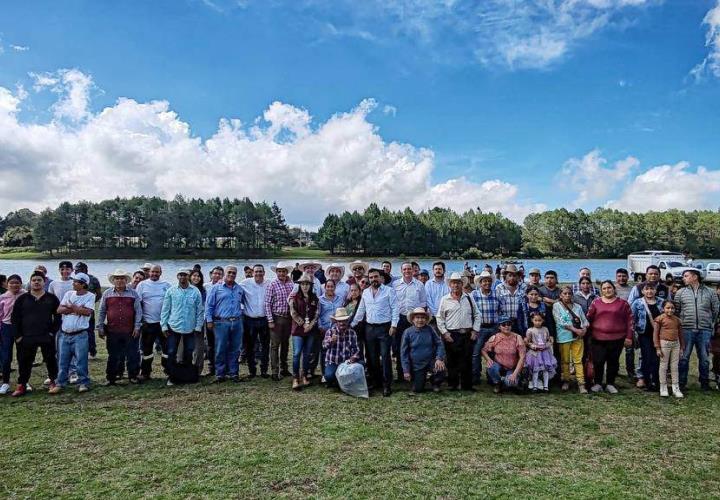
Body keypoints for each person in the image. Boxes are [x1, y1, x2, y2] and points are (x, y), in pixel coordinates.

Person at [10, 272, 61, 397]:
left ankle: (53, 382)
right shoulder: (22, 299)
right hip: (26, 336)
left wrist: (52, 332)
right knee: (24, 361)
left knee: (50, 359)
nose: (36, 282)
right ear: (30, 282)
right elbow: (14, 318)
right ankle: (22, 385)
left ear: (44, 282)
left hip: (45, 335)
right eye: (34, 280)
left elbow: (58, 316)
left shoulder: (51, 298)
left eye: (39, 280)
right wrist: (18, 336)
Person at [351, 268, 399, 397]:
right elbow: (361, 311)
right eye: (371, 277)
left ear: (380, 277)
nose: (373, 279)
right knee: (372, 357)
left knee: (385, 356)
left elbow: (395, 309)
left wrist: (394, 325)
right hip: (369, 328)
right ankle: (375, 381)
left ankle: (386, 384)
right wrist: (352, 325)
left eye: (375, 277)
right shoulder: (365, 292)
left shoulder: (389, 291)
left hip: (385, 328)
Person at [675, 269, 719, 391]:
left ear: (695, 277)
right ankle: (682, 383)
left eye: (686, 276)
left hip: (704, 330)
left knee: (704, 358)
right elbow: (677, 311)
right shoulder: (680, 293)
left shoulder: (710, 292)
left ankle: (704, 383)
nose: (683, 278)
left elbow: (715, 310)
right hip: (686, 329)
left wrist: (709, 324)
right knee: (684, 358)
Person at [50, 272, 95, 394]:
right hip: (64, 334)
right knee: (62, 360)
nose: (73, 284)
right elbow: (59, 310)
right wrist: (76, 309)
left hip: (80, 334)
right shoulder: (69, 294)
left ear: (83, 284)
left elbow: (87, 312)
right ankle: (60, 383)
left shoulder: (90, 296)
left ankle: (83, 382)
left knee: (81, 360)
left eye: (76, 282)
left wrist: (71, 307)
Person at [586, 281, 633, 394]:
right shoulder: (595, 303)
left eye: (609, 288)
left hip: (617, 338)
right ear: (601, 290)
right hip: (598, 338)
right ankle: (597, 383)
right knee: (598, 361)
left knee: (613, 362)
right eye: (605, 288)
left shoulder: (623, 303)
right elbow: (588, 319)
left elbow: (630, 321)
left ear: (614, 288)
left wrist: (629, 337)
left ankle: (610, 384)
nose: (607, 290)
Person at [436, 272, 481, 391]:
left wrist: (475, 330)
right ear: (450, 284)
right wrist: (445, 333)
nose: (456, 285)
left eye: (458, 283)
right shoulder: (445, 299)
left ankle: (467, 385)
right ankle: (453, 384)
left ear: (462, 284)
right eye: (453, 283)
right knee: (452, 360)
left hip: (467, 333)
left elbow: (477, 315)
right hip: (451, 334)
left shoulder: (469, 298)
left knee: (467, 360)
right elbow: (439, 318)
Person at [97, 269, 143, 386]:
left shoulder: (133, 294)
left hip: (130, 330)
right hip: (112, 330)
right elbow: (102, 311)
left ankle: (133, 376)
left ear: (126, 280)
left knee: (132, 354)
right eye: (117, 278)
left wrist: (137, 327)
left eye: (122, 278)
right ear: (113, 280)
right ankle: (111, 377)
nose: (119, 281)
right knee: (113, 355)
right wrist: (100, 326)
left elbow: (138, 311)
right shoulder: (107, 293)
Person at [161, 268, 204, 386]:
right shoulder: (171, 291)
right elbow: (165, 309)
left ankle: (186, 376)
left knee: (189, 353)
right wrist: (164, 325)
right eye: (180, 275)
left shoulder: (195, 291)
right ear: (177, 276)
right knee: (171, 352)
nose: (182, 277)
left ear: (188, 277)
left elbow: (199, 311)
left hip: (190, 328)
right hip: (173, 326)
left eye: (185, 275)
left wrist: (198, 326)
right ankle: (172, 377)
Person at [205, 265, 245, 383]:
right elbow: (209, 305)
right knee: (220, 348)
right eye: (229, 272)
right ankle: (220, 374)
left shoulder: (239, 289)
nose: (231, 275)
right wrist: (209, 320)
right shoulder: (216, 288)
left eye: (234, 273)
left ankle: (233, 373)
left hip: (237, 322)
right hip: (221, 322)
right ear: (224, 274)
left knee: (235, 349)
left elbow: (243, 302)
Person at [135, 265, 171, 381]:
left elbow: (171, 302)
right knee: (147, 350)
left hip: (163, 323)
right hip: (148, 323)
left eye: (157, 272)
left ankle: (169, 371)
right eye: (152, 272)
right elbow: (138, 304)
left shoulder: (166, 285)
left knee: (167, 349)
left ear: (161, 273)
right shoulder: (142, 285)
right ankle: (145, 373)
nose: (154, 274)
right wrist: (141, 320)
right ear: (148, 273)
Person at [393, 262, 427, 382]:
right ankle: (401, 374)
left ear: (413, 270)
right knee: (400, 346)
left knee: (414, 346)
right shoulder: (395, 284)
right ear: (401, 271)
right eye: (405, 269)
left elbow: (423, 303)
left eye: (409, 269)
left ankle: (414, 372)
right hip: (400, 318)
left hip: (414, 319)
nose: (407, 271)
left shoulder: (419, 285)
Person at [552, 286, 589, 394]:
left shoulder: (577, 307)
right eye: (565, 293)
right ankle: (566, 380)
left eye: (569, 293)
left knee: (578, 361)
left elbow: (584, 320)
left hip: (578, 337)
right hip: (564, 337)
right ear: (560, 295)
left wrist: (584, 330)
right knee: (565, 361)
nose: (567, 295)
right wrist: (575, 329)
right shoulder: (557, 306)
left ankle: (581, 383)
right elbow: (560, 321)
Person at [401, 307, 445, 394]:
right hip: (416, 364)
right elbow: (404, 353)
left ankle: (435, 383)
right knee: (418, 389)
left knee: (440, 368)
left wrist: (439, 358)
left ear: (426, 319)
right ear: (413, 319)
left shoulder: (430, 329)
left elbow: (439, 344)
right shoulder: (407, 332)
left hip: (431, 361)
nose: (420, 320)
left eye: (423, 318)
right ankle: (420, 380)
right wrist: (406, 370)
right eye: (417, 318)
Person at [265, 262, 295, 381]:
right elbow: (267, 303)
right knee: (274, 345)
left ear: (287, 272)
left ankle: (284, 368)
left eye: (283, 271)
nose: (281, 273)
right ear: (276, 272)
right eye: (279, 271)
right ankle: (274, 371)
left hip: (288, 318)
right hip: (276, 318)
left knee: (285, 344)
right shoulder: (272, 284)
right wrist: (270, 320)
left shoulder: (291, 284)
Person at [631, 283, 663, 392]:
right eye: (647, 289)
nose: (649, 291)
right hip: (644, 334)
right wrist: (633, 334)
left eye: (652, 289)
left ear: (655, 290)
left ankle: (656, 380)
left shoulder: (661, 302)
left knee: (657, 358)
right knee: (646, 357)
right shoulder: (637, 303)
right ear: (643, 291)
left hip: (659, 335)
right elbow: (632, 319)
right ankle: (646, 380)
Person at [289, 275, 319, 390]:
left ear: (310, 286)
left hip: (310, 330)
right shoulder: (294, 298)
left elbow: (317, 313)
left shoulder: (315, 298)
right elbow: (293, 313)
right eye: (303, 284)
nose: (305, 286)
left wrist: (310, 325)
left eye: (307, 284)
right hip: (298, 329)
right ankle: (296, 378)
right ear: (300, 285)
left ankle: (305, 375)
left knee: (307, 354)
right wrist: (303, 323)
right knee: (297, 353)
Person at [482, 317, 527, 393]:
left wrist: (515, 374)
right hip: (499, 366)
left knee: (511, 383)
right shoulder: (494, 337)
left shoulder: (517, 337)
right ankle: (497, 383)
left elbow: (522, 357)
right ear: (499, 327)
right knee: (491, 366)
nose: (506, 326)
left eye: (509, 324)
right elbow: (483, 350)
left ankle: (508, 380)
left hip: (512, 367)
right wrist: (488, 359)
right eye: (503, 324)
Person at [240, 264, 270, 379]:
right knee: (249, 346)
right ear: (252, 273)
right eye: (256, 271)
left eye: (260, 271)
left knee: (265, 346)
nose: (258, 273)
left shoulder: (269, 283)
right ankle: (252, 370)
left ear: (264, 273)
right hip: (249, 320)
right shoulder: (245, 283)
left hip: (264, 320)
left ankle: (264, 370)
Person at [470, 270, 500, 384]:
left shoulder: (496, 294)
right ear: (480, 283)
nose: (487, 283)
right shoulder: (474, 295)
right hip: (480, 328)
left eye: (489, 281)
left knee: (493, 353)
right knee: (476, 353)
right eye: (484, 281)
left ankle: (492, 377)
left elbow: (500, 309)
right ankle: (475, 377)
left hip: (494, 328)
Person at [322, 307, 361, 388]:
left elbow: (356, 349)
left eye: (344, 321)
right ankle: (338, 381)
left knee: (361, 366)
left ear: (347, 321)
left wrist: (353, 358)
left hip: (347, 363)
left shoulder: (352, 333)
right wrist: (331, 341)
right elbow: (324, 346)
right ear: (336, 322)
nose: (342, 323)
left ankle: (340, 381)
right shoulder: (330, 331)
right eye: (339, 321)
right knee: (329, 376)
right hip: (333, 362)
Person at [314, 279, 344, 380]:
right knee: (324, 351)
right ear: (325, 287)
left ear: (335, 288)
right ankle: (324, 374)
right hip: (323, 329)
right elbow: (317, 315)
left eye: (332, 286)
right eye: (328, 286)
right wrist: (320, 327)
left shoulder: (340, 299)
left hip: (337, 330)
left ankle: (337, 373)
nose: (330, 288)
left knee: (336, 350)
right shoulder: (320, 299)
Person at [654, 301, 685, 398]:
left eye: (672, 308)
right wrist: (658, 347)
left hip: (676, 344)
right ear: (663, 308)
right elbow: (655, 334)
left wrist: (682, 347)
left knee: (674, 366)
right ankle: (663, 386)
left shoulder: (677, 320)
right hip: (664, 344)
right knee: (663, 365)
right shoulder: (659, 319)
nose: (670, 310)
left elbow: (680, 335)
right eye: (668, 308)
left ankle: (676, 387)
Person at [0, 274, 24, 394]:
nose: (14, 285)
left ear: (21, 283)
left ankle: (24, 381)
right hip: (6, 327)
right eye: (11, 283)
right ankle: (5, 382)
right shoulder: (2, 297)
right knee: (6, 356)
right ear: (7, 284)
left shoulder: (25, 295)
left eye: (17, 283)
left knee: (23, 355)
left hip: (22, 328)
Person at [524, 312, 557, 392]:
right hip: (535, 353)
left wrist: (547, 345)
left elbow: (548, 340)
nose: (538, 322)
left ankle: (546, 386)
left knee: (545, 369)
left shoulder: (545, 329)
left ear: (543, 321)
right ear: (532, 320)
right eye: (536, 320)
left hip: (545, 353)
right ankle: (535, 386)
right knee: (536, 370)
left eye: (540, 320)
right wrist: (532, 346)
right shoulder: (530, 330)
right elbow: (528, 342)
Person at [75, 262, 101, 359]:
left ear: (85, 270)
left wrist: (91, 303)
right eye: (75, 270)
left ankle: (92, 351)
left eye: (78, 270)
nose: (76, 272)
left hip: (89, 310)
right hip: (76, 310)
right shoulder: (74, 280)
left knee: (89, 331)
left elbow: (98, 294)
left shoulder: (93, 280)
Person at [495, 264, 525, 331]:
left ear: (518, 276)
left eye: (514, 275)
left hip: (519, 321)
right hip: (504, 322)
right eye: (510, 275)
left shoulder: (523, 287)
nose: (512, 278)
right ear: (506, 276)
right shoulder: (499, 287)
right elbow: (496, 305)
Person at [189, 269, 208, 375]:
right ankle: (185, 368)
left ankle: (197, 369)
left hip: (199, 321)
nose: (196, 278)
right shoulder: (185, 289)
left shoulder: (203, 290)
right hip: (186, 322)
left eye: (198, 276)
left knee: (199, 347)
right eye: (194, 275)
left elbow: (203, 306)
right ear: (190, 277)